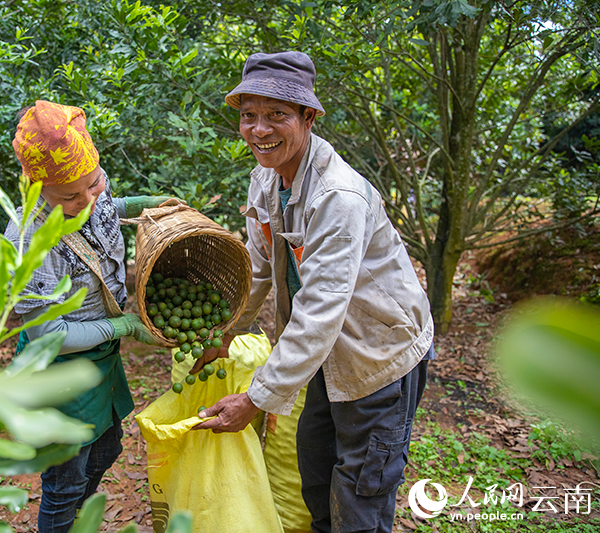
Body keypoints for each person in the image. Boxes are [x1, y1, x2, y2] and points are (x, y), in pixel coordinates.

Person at [192, 52, 437, 533]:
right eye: (248, 116)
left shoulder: (336, 197)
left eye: (276, 115)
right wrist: (227, 331)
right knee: (317, 477)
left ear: (308, 118)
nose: (259, 130)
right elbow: (258, 266)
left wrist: (255, 399)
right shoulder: (266, 178)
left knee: (360, 495)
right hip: (326, 357)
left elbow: (320, 312)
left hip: (375, 354)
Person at [4, 100, 172, 533]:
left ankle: (78, 517)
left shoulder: (89, 185)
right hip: (60, 367)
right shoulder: (28, 242)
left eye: (93, 185)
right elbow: (51, 334)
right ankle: (65, 518)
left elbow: (103, 208)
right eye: (68, 198)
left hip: (100, 356)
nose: (85, 201)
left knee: (107, 447)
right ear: (36, 188)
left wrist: (144, 204)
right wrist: (125, 326)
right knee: (65, 476)